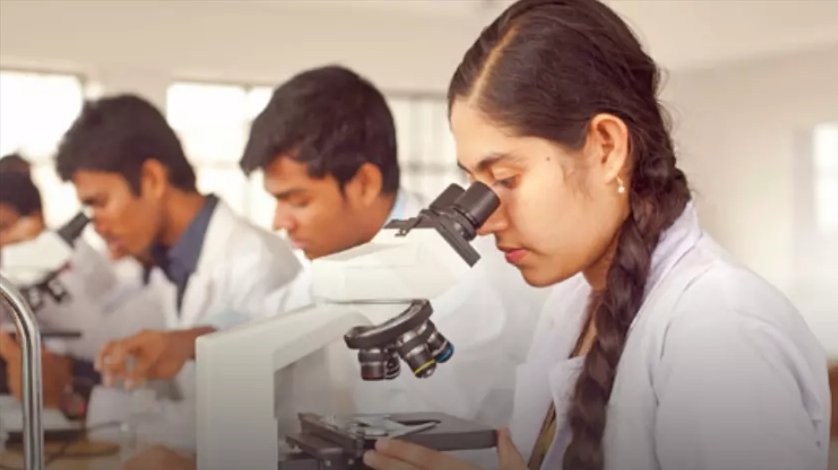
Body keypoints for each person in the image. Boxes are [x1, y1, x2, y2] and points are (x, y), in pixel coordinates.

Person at [363, 1, 831, 470]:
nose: (483, 221)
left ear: (606, 148)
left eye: (505, 178)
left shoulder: (722, 330)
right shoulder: (572, 301)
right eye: (473, 184)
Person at [53, 94, 301, 449]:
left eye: (100, 203)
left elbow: (262, 425)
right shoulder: (172, 267)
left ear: (152, 178)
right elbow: (188, 399)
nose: (97, 225)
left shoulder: (256, 264)